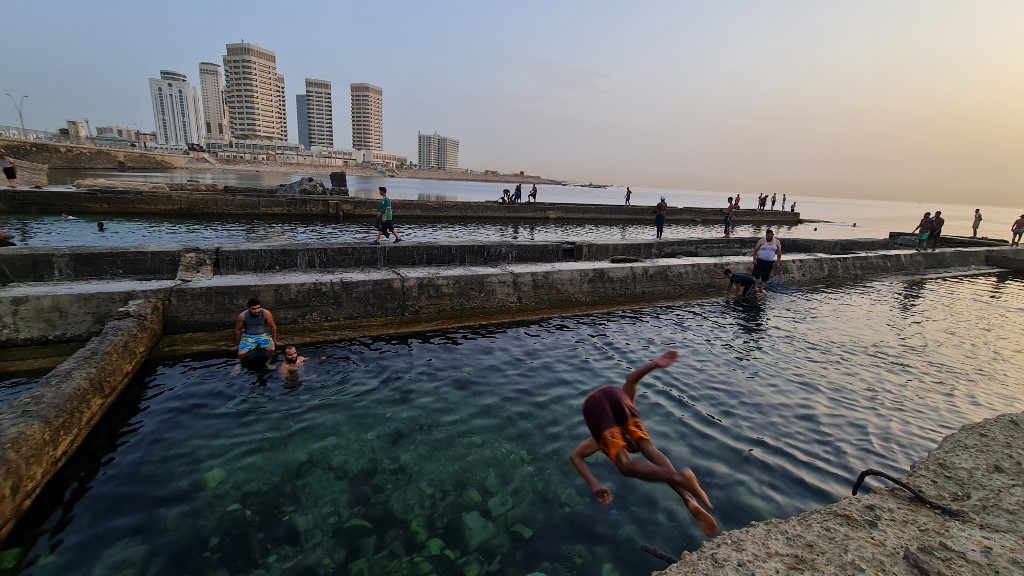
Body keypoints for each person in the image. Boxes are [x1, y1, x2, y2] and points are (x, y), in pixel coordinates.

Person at [569, 351, 717, 537]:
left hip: (598, 402)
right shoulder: (603, 438)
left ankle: (686, 491)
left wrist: (594, 485)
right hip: (616, 396)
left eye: (629, 445)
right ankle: (685, 492)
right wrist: (655, 364)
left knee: (625, 465)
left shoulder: (599, 441)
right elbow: (631, 380)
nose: (629, 444)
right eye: (631, 445)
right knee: (649, 448)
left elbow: (575, 456)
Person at [751, 229, 782, 293]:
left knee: (765, 276)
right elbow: (755, 249)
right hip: (760, 260)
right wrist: (754, 259)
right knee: (756, 275)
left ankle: (761, 289)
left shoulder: (777, 242)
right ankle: (754, 288)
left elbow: (779, 252)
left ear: (773, 235)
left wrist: (778, 262)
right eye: (767, 236)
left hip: (769, 262)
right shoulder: (762, 240)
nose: (768, 238)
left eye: (769, 236)